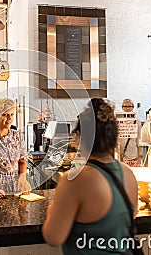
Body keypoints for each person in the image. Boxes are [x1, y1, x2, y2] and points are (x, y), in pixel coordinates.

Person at [42, 98, 138, 254]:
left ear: (79, 136)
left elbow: (53, 237)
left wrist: (52, 208)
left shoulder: (75, 180)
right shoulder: (128, 174)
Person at [118, 99, 142, 166]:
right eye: (125, 106)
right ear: (122, 107)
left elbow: (139, 139)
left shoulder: (137, 121)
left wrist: (140, 156)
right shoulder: (117, 120)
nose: (127, 108)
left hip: (132, 154)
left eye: (129, 106)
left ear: (133, 107)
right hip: (120, 153)